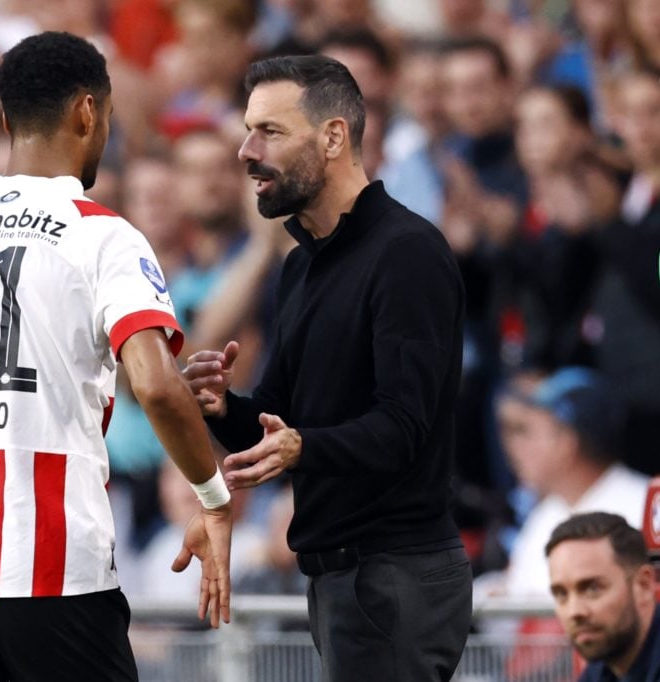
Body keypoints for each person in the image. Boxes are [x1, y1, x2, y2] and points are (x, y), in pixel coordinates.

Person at [0, 31, 233, 682]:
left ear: (5, 121)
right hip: (51, 561)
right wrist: (213, 498)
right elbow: (156, 386)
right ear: (88, 112)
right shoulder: (103, 233)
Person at [182, 54, 472, 681]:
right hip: (343, 581)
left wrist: (301, 447)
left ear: (334, 136)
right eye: (247, 129)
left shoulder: (407, 253)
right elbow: (276, 426)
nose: (245, 150)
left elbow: (403, 427)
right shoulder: (301, 265)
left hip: (394, 578)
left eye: (271, 131)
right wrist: (223, 407)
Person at [495, 367, 648, 599]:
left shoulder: (647, 505)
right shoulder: (544, 515)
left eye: (526, 432)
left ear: (567, 441)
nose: (514, 448)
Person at [546, 512, 660, 681]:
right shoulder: (602, 667)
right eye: (561, 594)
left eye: (592, 589)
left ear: (643, 585)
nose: (575, 611)